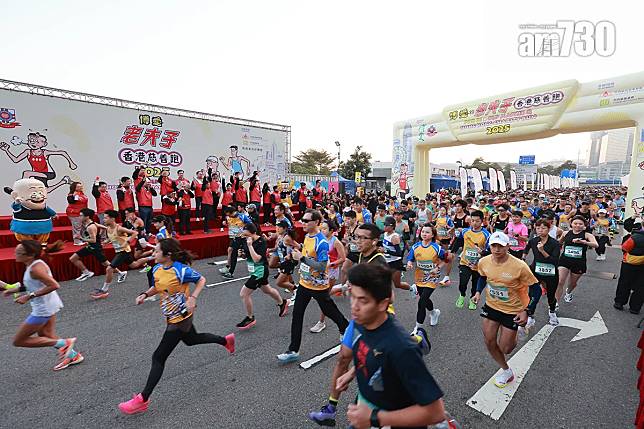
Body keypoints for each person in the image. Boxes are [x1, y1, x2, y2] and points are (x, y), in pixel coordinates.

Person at [118, 239, 235, 415]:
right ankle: (225, 340)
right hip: (171, 315)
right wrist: (144, 294)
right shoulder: (157, 268)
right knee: (191, 340)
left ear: (168, 255)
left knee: (158, 357)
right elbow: (156, 288)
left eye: (156, 252)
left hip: (180, 318)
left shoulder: (181, 270)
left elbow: (201, 279)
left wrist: (193, 298)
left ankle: (143, 399)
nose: (153, 254)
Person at [337, 264, 448, 429]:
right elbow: (370, 352)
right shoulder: (362, 322)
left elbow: (436, 412)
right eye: (353, 296)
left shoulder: (401, 348)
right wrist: (352, 373)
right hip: (369, 408)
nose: (354, 306)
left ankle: (419, 339)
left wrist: (374, 418)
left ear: (382, 304)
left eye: (363, 300)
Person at [277, 209, 349, 363]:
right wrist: (294, 252)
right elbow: (308, 255)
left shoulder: (322, 242)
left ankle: (345, 326)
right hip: (304, 283)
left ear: (316, 222)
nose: (302, 222)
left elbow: (322, 267)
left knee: (329, 311)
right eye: (302, 220)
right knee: (297, 316)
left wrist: (301, 258)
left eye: (305, 220)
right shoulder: (307, 236)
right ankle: (293, 350)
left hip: (318, 286)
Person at [472, 231, 541, 388]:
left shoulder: (519, 266)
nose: (497, 250)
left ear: (508, 246)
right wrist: (477, 292)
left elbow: (535, 289)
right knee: (489, 341)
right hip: (492, 306)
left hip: (514, 310)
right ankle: (506, 371)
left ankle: (522, 327)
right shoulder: (483, 261)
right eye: (494, 246)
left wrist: (527, 311)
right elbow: (483, 277)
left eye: (501, 246)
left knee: (506, 348)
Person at [1, 240, 81, 372]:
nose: (15, 253)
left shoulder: (35, 269)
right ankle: (73, 356)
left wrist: (28, 296)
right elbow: (36, 284)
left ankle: (64, 343)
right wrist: (15, 290)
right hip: (50, 304)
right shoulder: (34, 264)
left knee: (19, 340)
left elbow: (54, 285)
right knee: (46, 334)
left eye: (19, 252)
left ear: (29, 255)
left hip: (42, 309)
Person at [235, 223, 290, 329]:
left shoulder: (261, 242)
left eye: (247, 235)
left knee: (244, 294)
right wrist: (242, 254)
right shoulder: (246, 241)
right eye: (244, 235)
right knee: (267, 290)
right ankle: (282, 302)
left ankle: (250, 317)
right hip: (253, 270)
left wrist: (250, 246)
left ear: (254, 233)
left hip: (260, 271)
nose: (245, 237)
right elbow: (248, 255)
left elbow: (257, 259)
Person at [89, 210, 139, 300]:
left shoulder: (119, 228)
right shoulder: (108, 228)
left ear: (112, 219)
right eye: (104, 217)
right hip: (120, 251)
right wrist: (106, 241)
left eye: (105, 217)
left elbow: (135, 233)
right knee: (134, 265)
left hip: (123, 251)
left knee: (109, 268)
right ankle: (151, 257)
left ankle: (104, 290)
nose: (104, 219)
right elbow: (113, 237)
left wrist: (127, 241)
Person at [407, 223, 449, 330]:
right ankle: (434, 312)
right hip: (419, 277)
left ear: (432, 235)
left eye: (427, 232)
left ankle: (417, 328)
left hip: (432, 278)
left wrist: (437, 268)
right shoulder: (415, 247)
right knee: (424, 299)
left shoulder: (437, 248)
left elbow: (446, 259)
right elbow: (410, 258)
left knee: (421, 302)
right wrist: (409, 263)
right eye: (423, 232)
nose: (424, 234)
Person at [311, 219, 347, 333]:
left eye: (325, 228)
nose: (322, 230)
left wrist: (332, 264)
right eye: (321, 228)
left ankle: (321, 322)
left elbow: (343, 258)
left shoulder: (336, 242)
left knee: (324, 298)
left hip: (331, 272)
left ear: (331, 230)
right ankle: (341, 288)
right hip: (321, 271)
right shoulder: (320, 239)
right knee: (321, 296)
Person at [524, 219, 561, 326]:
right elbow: (527, 248)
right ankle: (530, 315)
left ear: (549, 229)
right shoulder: (534, 240)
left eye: (543, 228)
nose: (540, 230)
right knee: (533, 294)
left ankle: (552, 312)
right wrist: (523, 259)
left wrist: (542, 251)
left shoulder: (554, 243)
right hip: (536, 271)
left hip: (551, 273)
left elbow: (555, 261)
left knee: (550, 294)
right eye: (538, 228)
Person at [557, 216, 599, 304]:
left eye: (580, 224)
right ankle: (555, 303)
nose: (577, 225)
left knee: (572, 283)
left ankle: (568, 292)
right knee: (560, 281)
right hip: (565, 260)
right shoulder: (565, 233)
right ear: (571, 224)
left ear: (584, 226)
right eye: (575, 223)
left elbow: (596, 245)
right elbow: (559, 243)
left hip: (579, 262)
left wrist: (584, 242)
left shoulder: (587, 235)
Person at [455, 210, 490, 310]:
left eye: (477, 221)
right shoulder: (465, 231)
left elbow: (489, 251)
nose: (474, 223)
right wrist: (451, 251)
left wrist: (482, 251)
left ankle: (472, 299)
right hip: (465, 262)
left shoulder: (486, 234)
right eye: (472, 221)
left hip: (478, 264)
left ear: (482, 221)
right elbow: (458, 241)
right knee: (463, 282)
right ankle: (462, 295)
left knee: (475, 284)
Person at [614, 218, 644, 313]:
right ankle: (635, 308)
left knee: (624, 282)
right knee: (641, 286)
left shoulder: (634, 235)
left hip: (629, 262)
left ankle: (619, 302)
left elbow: (625, 248)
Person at [69, 208, 107, 281]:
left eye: (81, 216)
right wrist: (100, 234)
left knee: (106, 264)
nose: (80, 217)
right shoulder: (92, 224)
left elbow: (93, 240)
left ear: (87, 216)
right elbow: (104, 227)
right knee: (73, 258)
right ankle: (86, 272)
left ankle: (120, 273)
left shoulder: (90, 227)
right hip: (90, 247)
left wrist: (81, 238)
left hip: (95, 247)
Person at [215, 205, 253, 278]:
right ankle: (230, 271)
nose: (228, 216)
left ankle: (259, 264)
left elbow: (251, 225)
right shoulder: (228, 217)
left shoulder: (242, 216)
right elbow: (231, 226)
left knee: (248, 253)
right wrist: (226, 225)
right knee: (232, 252)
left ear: (233, 212)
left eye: (229, 214)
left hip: (243, 237)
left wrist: (247, 233)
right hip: (234, 238)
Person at [92, 178, 114, 243]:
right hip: (102, 212)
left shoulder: (107, 193)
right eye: (102, 187)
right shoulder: (98, 194)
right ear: (99, 187)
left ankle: (109, 237)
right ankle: (102, 238)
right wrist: (95, 184)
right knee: (103, 225)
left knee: (109, 225)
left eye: (105, 186)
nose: (104, 188)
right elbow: (94, 191)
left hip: (109, 211)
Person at [66, 181, 88, 246]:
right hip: (74, 213)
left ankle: (83, 239)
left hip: (83, 213)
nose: (80, 187)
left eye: (81, 186)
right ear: (74, 187)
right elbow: (71, 201)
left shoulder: (82, 194)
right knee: (77, 227)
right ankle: (77, 241)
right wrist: (74, 196)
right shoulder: (71, 195)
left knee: (84, 227)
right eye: (78, 186)